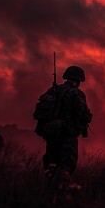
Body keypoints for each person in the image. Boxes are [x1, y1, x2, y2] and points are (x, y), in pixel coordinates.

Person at [35, 66, 92, 195]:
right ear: (79, 79)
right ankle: (57, 193)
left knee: (51, 163)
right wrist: (89, 117)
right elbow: (83, 114)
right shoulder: (76, 93)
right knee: (67, 165)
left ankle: (48, 192)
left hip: (52, 134)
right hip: (67, 135)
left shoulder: (53, 91)